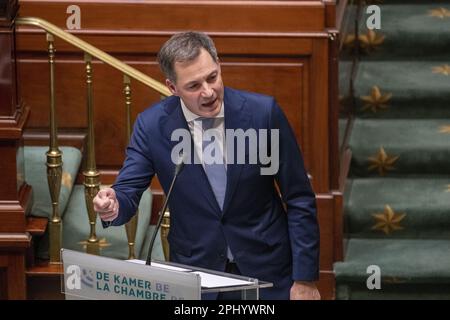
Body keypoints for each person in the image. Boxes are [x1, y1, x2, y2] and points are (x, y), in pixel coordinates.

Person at [93, 31, 320, 300]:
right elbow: (127, 191)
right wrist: (114, 205)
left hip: (269, 272)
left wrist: (304, 278)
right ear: (172, 87)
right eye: (193, 86)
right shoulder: (152, 126)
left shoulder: (262, 114)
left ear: (219, 66)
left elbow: (299, 198)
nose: (209, 92)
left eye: (212, 77)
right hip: (197, 276)